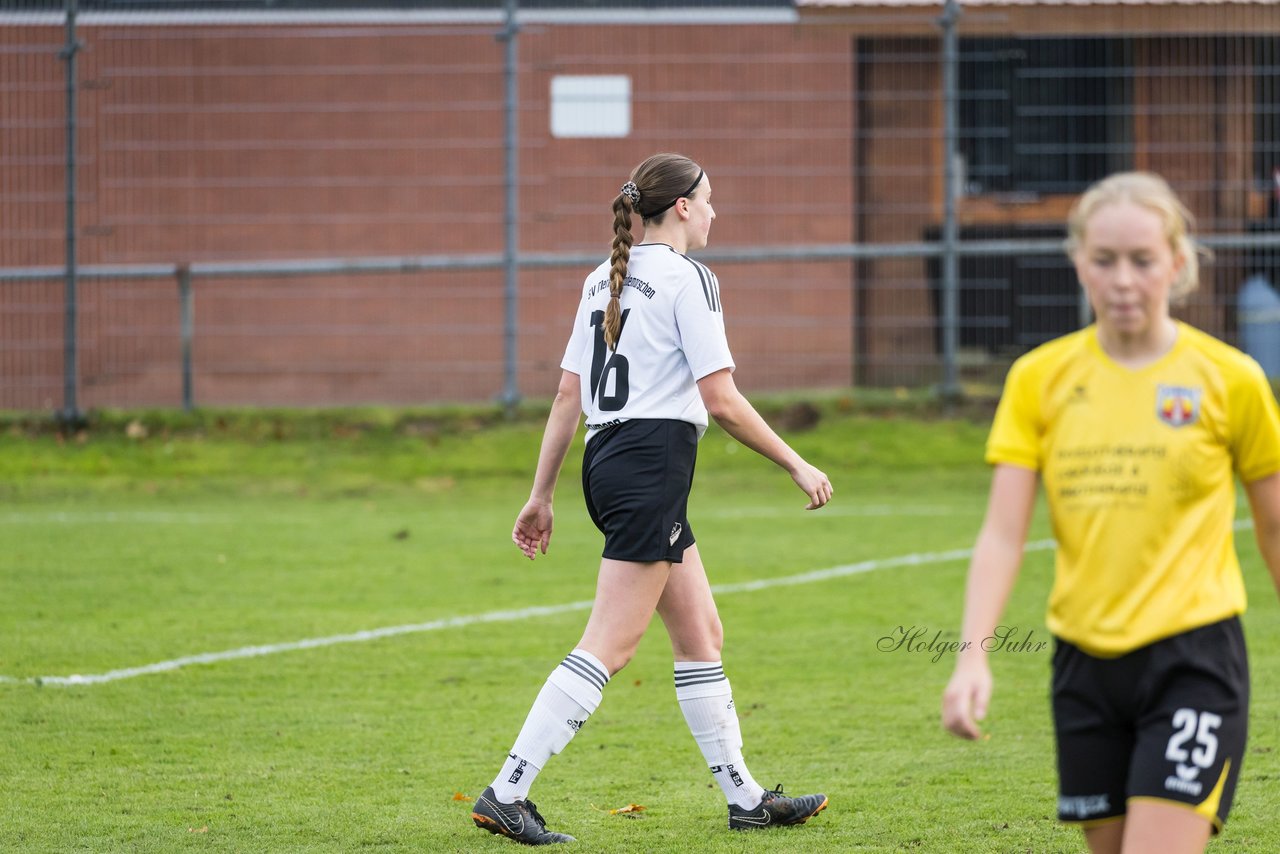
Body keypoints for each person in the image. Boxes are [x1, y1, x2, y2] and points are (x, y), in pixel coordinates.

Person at [469, 152, 834, 845]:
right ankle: (508, 790)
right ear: (685, 208)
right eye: (711, 200)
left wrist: (542, 493)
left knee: (702, 635)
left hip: (606, 460)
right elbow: (720, 399)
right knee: (612, 643)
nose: (717, 213)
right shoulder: (689, 278)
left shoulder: (599, 278)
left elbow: (568, 397)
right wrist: (795, 461)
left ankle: (746, 798)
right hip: (651, 464)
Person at [941, 171, 1280, 853]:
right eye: (1105, 260)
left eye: (1142, 260)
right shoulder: (1040, 378)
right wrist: (972, 657)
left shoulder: (1230, 379)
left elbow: (1274, 523)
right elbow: (1004, 536)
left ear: (1177, 264)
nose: (1123, 280)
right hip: (1084, 667)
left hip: (1195, 660)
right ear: (1078, 262)